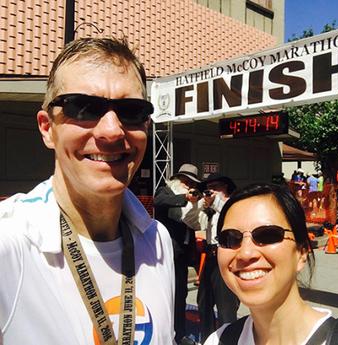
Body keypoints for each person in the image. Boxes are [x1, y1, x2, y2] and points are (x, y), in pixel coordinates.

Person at [0, 38, 175, 344]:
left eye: (130, 111)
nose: (111, 130)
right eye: (83, 108)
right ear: (46, 128)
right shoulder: (8, 244)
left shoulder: (157, 240)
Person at [204, 183, 338, 345]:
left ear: (302, 253)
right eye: (230, 239)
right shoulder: (218, 340)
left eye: (268, 235)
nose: (245, 254)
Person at [153, 163, 202, 344]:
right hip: (165, 254)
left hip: (181, 255)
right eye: (186, 181)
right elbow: (159, 202)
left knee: (180, 295)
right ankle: (166, 333)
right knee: (166, 296)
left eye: (192, 183)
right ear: (177, 179)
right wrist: (184, 197)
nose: (189, 185)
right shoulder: (165, 191)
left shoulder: (190, 200)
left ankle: (179, 333)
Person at [197, 173, 240, 342]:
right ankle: (207, 339)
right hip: (209, 256)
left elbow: (229, 214)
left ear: (226, 187)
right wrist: (199, 206)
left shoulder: (232, 204)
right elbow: (194, 223)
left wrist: (214, 203)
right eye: (208, 188)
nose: (211, 191)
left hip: (226, 256)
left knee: (226, 308)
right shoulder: (210, 208)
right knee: (204, 304)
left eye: (215, 187)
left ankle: (228, 340)